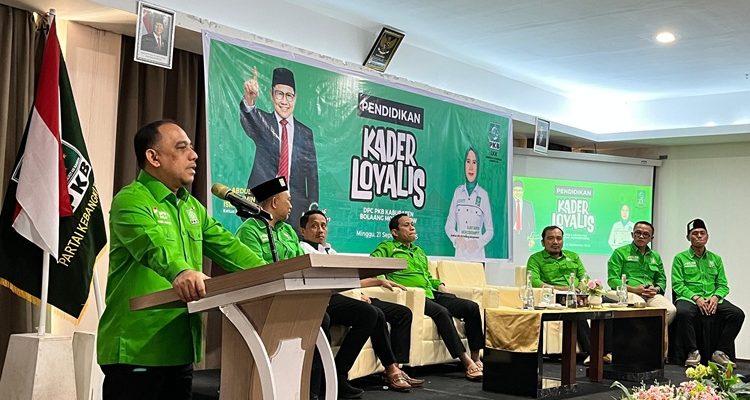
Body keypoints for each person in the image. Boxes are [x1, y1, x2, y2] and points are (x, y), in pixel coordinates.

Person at [96, 120, 266, 400]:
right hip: (138, 348)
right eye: (181, 147)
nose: (194, 155)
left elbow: (229, 247)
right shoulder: (131, 200)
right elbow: (154, 246)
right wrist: (182, 272)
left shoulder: (191, 206)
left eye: (192, 147)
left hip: (181, 347)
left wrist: (276, 273)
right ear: (153, 157)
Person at [299, 210, 423, 397]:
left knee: (386, 312)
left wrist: (377, 281)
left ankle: (347, 373)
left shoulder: (330, 251)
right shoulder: (301, 250)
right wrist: (355, 293)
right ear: (303, 230)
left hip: (342, 294)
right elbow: (326, 281)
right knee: (372, 313)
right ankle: (346, 375)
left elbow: (348, 277)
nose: (320, 230)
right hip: (321, 297)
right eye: (314, 226)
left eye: (323, 226)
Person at [371, 214, 484, 381]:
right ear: (395, 232)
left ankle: (476, 357)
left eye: (412, 224)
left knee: (471, 307)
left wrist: (440, 284)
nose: (412, 228)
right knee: (442, 312)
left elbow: (428, 277)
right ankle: (466, 361)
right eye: (406, 225)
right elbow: (373, 265)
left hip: (431, 292)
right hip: (413, 296)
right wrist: (383, 280)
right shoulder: (388, 247)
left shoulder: (419, 251)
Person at [240, 66, 318, 229]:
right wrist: (249, 100)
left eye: (289, 95)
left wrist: (313, 204)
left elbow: (312, 173)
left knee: (292, 243)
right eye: (279, 94)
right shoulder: (263, 122)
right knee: (258, 236)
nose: (284, 101)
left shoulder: (305, 133)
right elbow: (250, 119)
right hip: (263, 199)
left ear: (295, 98)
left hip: (294, 204)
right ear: (271, 94)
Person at [527, 225, 612, 364]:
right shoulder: (535, 259)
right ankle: (593, 353)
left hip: (580, 293)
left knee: (611, 305)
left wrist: (583, 287)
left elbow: (584, 276)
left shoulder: (573, 256)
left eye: (559, 238)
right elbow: (535, 282)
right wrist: (562, 289)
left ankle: (608, 352)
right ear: (542, 242)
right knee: (575, 310)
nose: (555, 242)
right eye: (550, 238)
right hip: (556, 296)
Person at [672, 219, 744, 367]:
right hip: (689, 297)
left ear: (707, 236)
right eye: (694, 233)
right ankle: (693, 352)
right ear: (688, 237)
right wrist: (696, 298)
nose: (699, 236)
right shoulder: (680, 258)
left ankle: (720, 352)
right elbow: (677, 284)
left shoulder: (716, 259)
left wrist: (716, 297)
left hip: (713, 297)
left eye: (702, 233)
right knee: (683, 312)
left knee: (737, 314)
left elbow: (723, 285)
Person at [607, 221, 676, 323]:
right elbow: (612, 280)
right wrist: (634, 289)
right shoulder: (620, 253)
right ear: (632, 234)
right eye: (638, 233)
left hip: (650, 294)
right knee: (640, 306)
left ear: (651, 238)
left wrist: (656, 289)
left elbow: (661, 280)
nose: (641, 236)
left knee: (670, 310)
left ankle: (654, 333)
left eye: (646, 234)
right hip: (628, 292)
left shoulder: (655, 256)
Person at [235, 176, 302, 263]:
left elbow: (303, 261)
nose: (291, 206)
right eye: (288, 200)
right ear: (274, 202)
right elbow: (255, 266)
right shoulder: (249, 230)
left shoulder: (288, 230)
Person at [444, 147, 494, 260]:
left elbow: (490, 230)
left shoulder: (483, 195)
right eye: (468, 161)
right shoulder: (457, 192)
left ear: (478, 166)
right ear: (464, 165)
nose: (471, 167)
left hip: (478, 258)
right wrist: (456, 239)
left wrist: (477, 243)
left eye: (474, 162)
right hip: (460, 257)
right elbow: (449, 226)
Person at [511, 180, 536, 261]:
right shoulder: (508, 204)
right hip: (511, 235)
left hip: (524, 236)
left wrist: (532, 238)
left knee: (523, 259)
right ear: (512, 191)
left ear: (523, 192)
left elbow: (532, 223)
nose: (518, 192)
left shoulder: (528, 205)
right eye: (515, 190)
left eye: (520, 190)